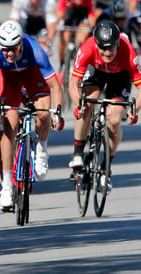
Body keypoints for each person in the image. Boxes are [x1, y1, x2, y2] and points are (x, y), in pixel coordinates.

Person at [0, 20, 64, 209]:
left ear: (21, 43)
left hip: (32, 76)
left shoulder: (35, 50)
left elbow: (55, 86)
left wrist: (58, 113)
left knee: (43, 113)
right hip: (9, 81)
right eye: (5, 49)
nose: (10, 53)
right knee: (7, 130)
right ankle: (6, 187)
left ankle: (42, 149)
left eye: (13, 48)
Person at [68, 20, 141, 193]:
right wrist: (79, 104)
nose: (107, 52)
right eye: (103, 48)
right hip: (96, 72)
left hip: (120, 76)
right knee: (87, 104)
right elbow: (73, 83)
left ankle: (105, 167)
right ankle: (78, 153)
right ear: (96, 43)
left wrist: (134, 110)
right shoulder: (87, 48)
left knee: (114, 120)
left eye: (111, 48)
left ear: (117, 44)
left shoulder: (128, 52)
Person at [56, 0, 97, 72]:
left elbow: (91, 16)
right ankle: (61, 62)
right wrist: (59, 21)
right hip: (68, 16)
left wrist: (92, 26)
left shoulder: (88, 1)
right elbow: (60, 12)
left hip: (82, 17)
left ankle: (80, 60)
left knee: (82, 38)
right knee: (64, 39)